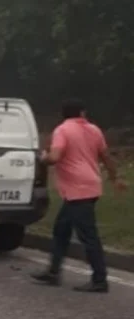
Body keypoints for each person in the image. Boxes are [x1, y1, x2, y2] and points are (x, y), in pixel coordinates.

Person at [31, 99, 127, 293]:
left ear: (64, 115)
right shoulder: (94, 130)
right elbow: (106, 157)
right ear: (82, 113)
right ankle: (53, 271)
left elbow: (55, 157)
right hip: (89, 186)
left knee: (88, 236)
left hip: (78, 191)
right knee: (61, 230)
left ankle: (99, 280)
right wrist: (115, 178)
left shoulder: (62, 130)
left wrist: (43, 158)